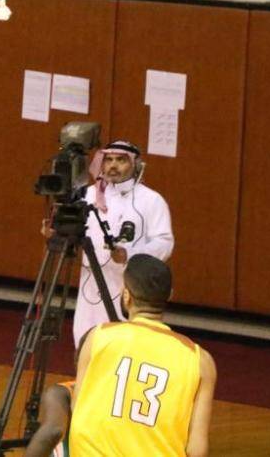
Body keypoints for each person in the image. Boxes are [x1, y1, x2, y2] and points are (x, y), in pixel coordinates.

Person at [69, 254, 217, 457]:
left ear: (126, 296)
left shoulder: (97, 337)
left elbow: (77, 408)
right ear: (169, 295)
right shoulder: (201, 361)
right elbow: (197, 450)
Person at [73, 140, 173, 346]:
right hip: (90, 283)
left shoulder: (151, 200)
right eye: (108, 160)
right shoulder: (88, 195)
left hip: (129, 287)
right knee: (85, 342)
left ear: (135, 165)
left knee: (122, 346)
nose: (113, 165)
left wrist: (130, 254)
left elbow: (164, 242)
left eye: (120, 160)